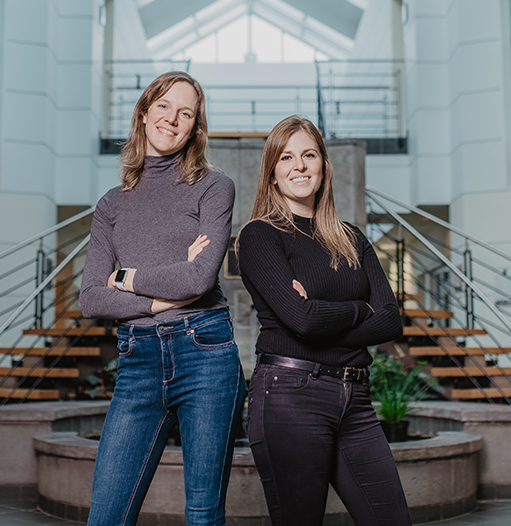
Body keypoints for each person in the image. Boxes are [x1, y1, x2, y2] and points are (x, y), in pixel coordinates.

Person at [79, 71, 244, 526]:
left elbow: (198, 278)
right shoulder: (111, 204)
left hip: (205, 352)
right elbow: (91, 297)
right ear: (145, 111)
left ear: (195, 127)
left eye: (186, 112)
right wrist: (158, 301)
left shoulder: (214, 186)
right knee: (107, 516)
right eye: (165, 106)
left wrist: (127, 278)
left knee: (203, 515)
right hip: (138, 358)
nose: (173, 118)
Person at [238, 116, 410, 526]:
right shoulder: (260, 236)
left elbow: (391, 322)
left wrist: (320, 314)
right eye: (287, 157)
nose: (299, 165)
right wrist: (358, 309)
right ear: (273, 175)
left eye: (309, 155)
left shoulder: (352, 238)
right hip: (290, 396)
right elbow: (302, 320)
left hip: (356, 398)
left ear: (323, 166)